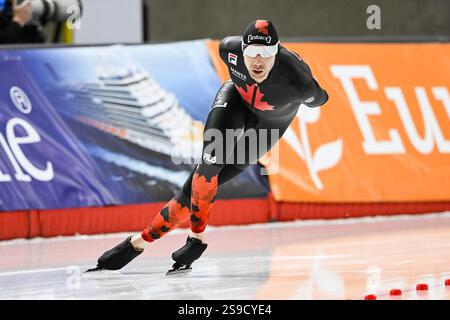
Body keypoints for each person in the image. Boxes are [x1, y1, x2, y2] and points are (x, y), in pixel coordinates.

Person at [86, 19, 329, 275]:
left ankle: (139, 242)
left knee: (195, 189)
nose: (258, 62)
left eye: (266, 54)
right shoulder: (229, 49)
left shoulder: (299, 81)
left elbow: (321, 99)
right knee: (207, 169)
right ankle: (194, 238)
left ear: (277, 52)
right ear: (242, 50)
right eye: (252, 54)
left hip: (267, 126)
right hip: (235, 102)